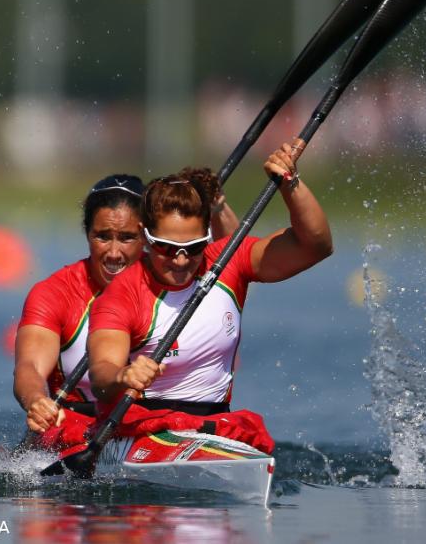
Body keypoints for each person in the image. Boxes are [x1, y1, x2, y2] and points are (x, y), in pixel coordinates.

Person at [85, 141, 331, 422]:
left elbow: (316, 246)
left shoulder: (228, 261)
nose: (179, 260)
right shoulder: (122, 293)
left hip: (214, 424)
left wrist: (290, 184)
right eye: (166, 247)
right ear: (146, 236)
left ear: (207, 234)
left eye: (192, 247)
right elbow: (101, 375)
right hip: (142, 425)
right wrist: (122, 375)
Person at [13, 170, 237, 434]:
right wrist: (36, 400)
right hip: (78, 428)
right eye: (102, 236)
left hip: (158, 424)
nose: (114, 252)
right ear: (87, 234)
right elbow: (29, 368)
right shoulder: (55, 293)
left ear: (148, 236)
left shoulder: (177, 273)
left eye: (127, 237)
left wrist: (217, 206)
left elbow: (231, 255)